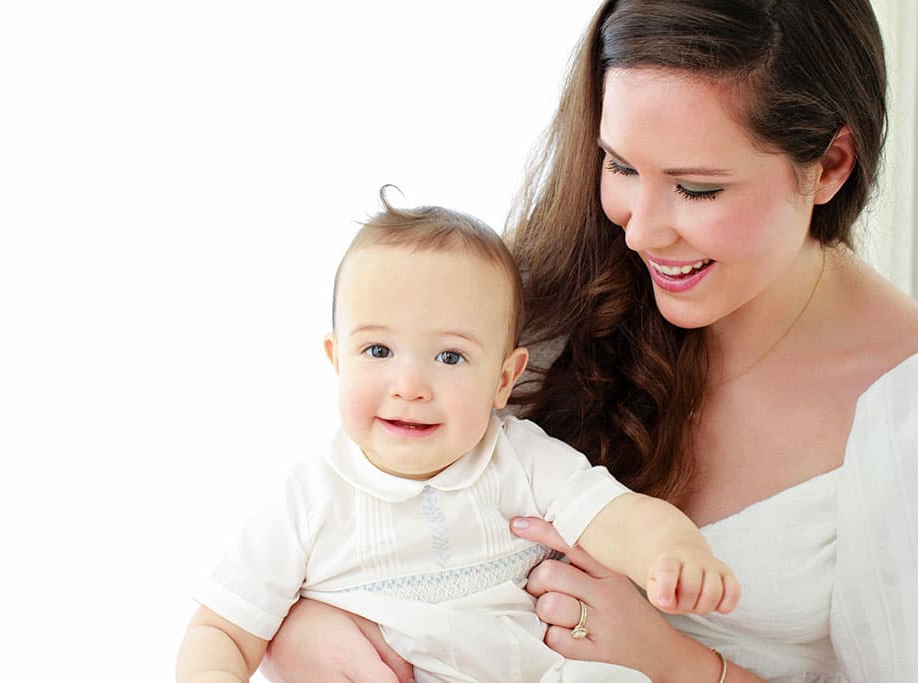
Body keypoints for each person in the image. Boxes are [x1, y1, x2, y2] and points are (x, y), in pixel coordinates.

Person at [260, 1, 918, 681]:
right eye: (621, 166)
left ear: (832, 163)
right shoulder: (555, 296)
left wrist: (674, 661)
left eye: (696, 188)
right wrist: (301, 622)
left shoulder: (900, 409)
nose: (640, 233)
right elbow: (341, 495)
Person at [176, 191, 741, 683]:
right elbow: (222, 630)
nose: (410, 386)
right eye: (378, 351)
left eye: (450, 356)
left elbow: (617, 515)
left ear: (503, 379)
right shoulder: (308, 498)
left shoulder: (521, 460)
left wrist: (671, 551)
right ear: (336, 359)